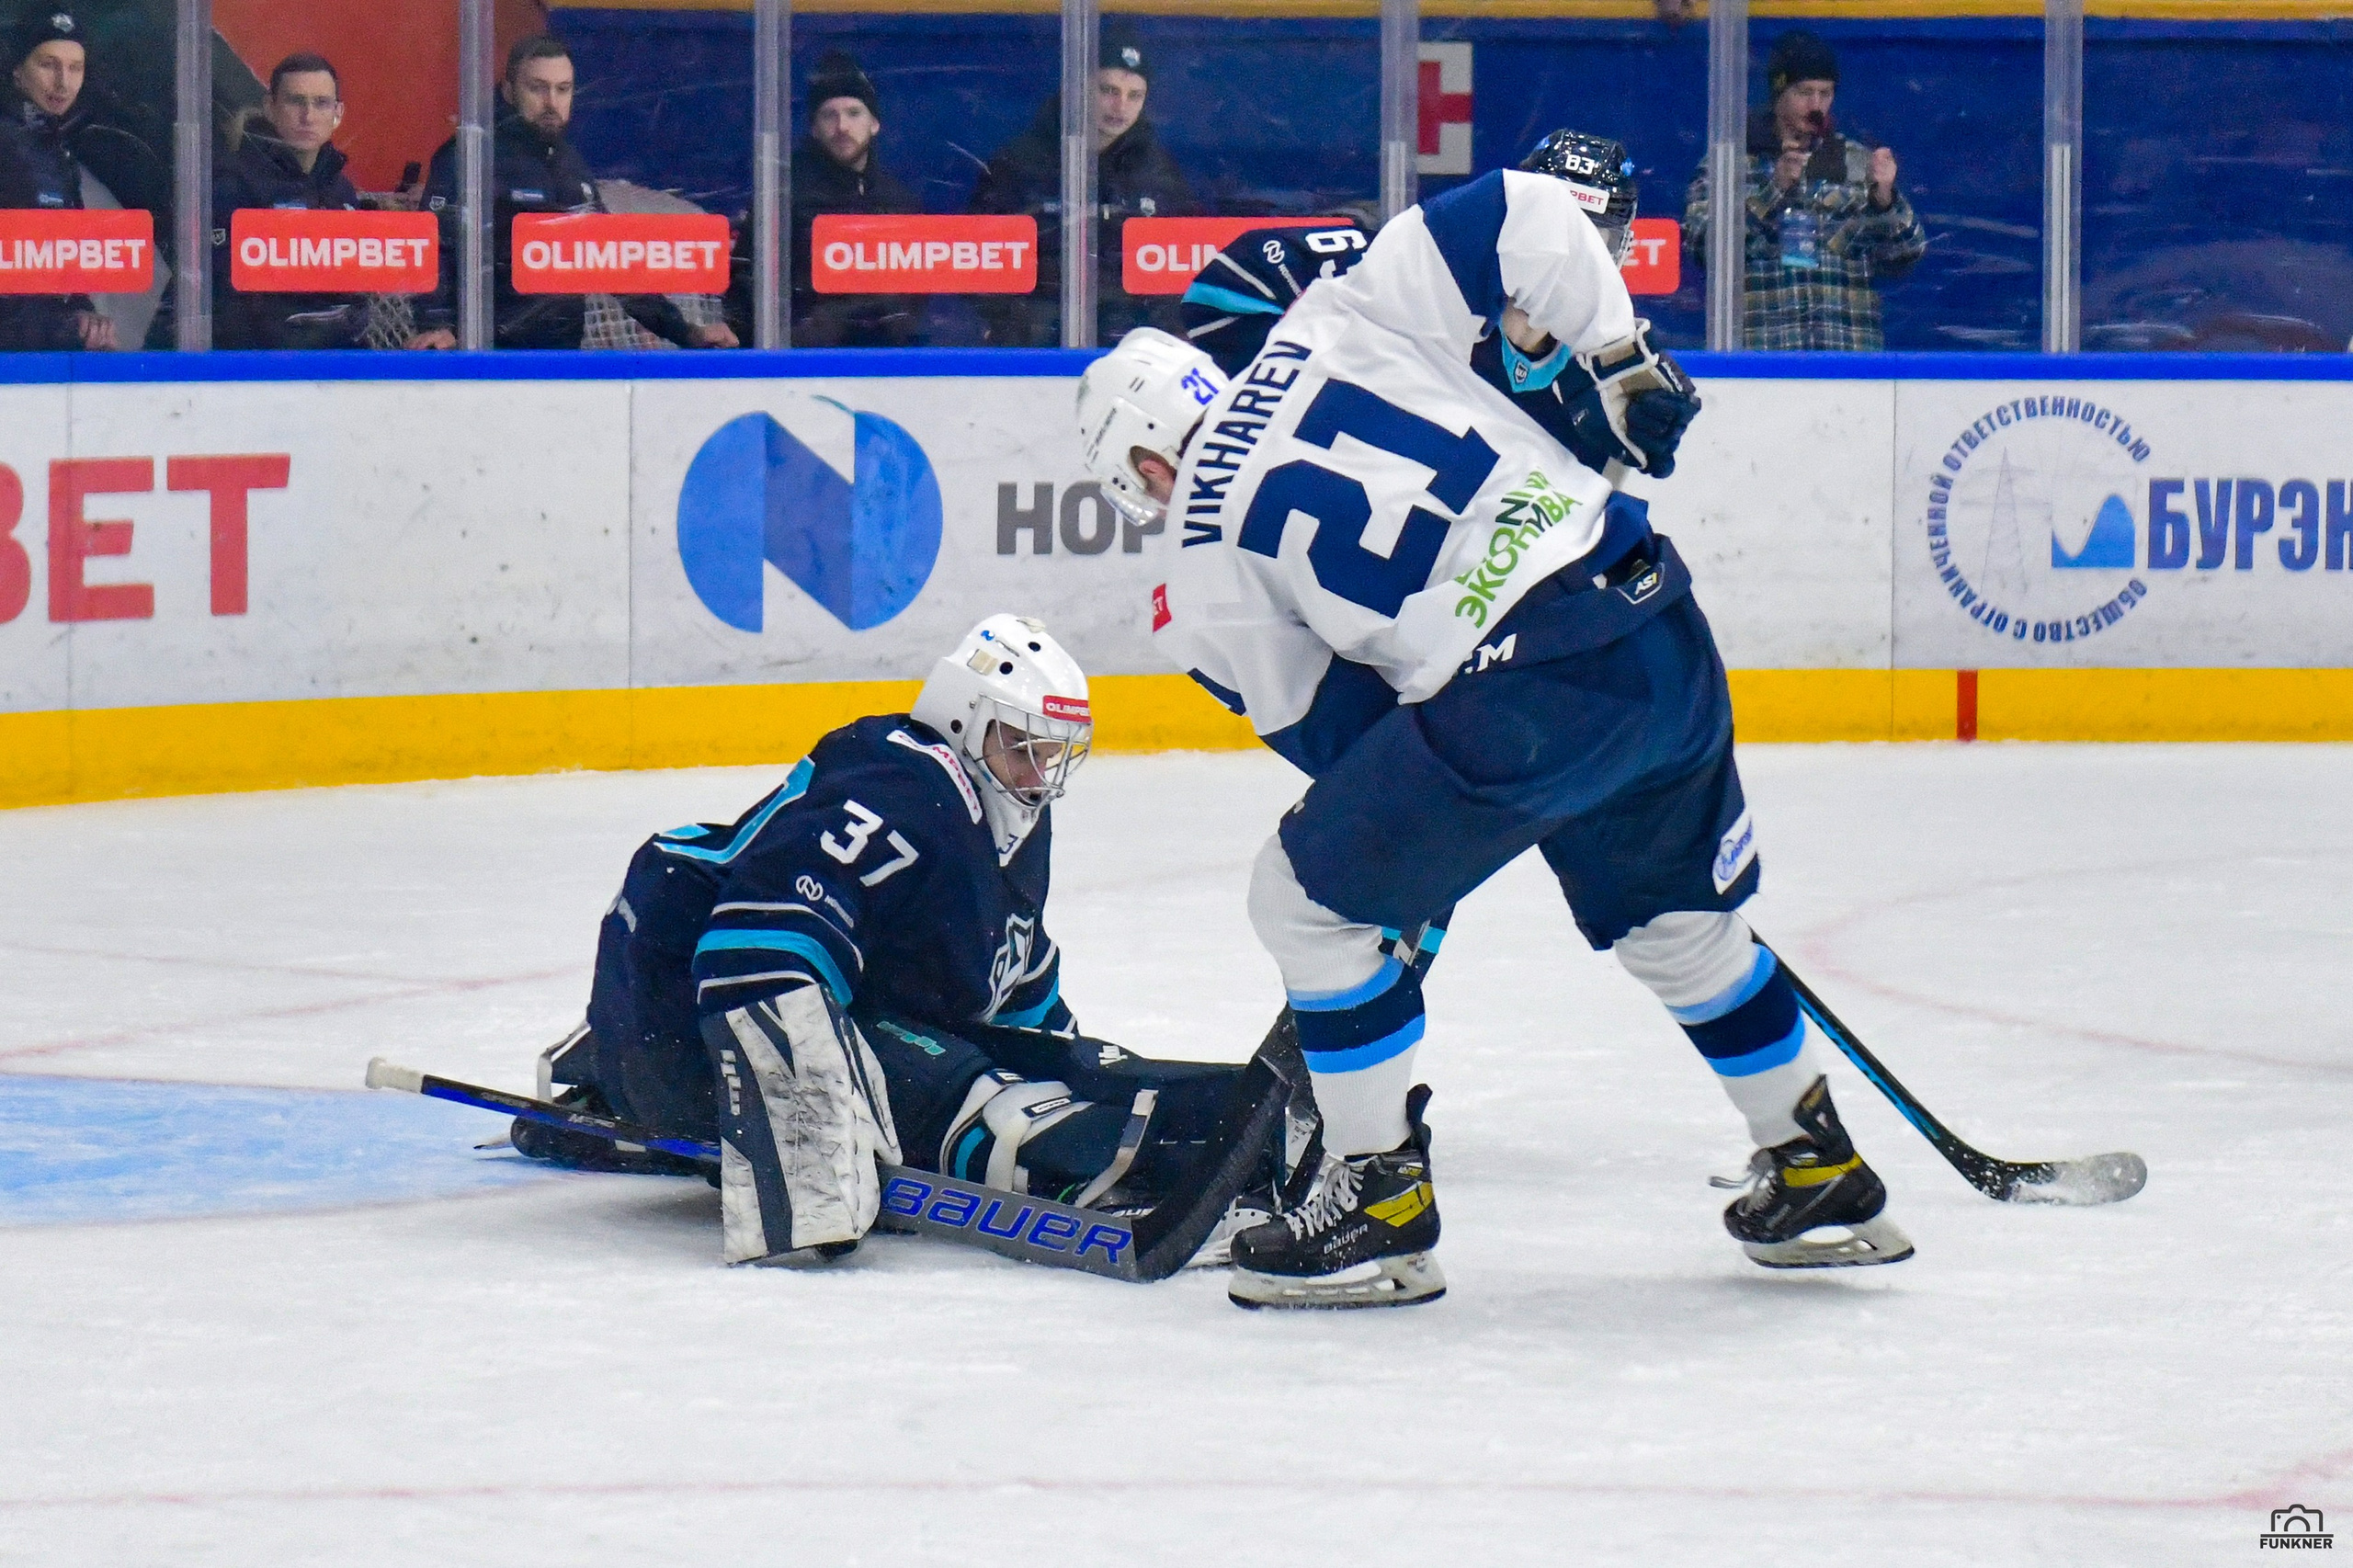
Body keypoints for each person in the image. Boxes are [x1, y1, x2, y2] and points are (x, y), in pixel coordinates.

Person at [1074, 132, 1913, 1311]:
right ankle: (1815, 1164)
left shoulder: (1191, 567)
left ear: (1144, 468)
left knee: (1301, 900)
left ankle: (1376, 1203)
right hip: (1651, 615)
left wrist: (1458, 807)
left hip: (1523, 698)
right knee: (1680, 930)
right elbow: (1522, 209)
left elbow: (1339, 731)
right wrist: (1620, 358)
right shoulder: (1337, 317)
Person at [517, 615, 1298, 1267]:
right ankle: (614, 1051)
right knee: (995, 1110)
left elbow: (1013, 975)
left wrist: (1072, 1062)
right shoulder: (901, 782)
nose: (1036, 774)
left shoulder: (1010, 819)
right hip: (679, 1004)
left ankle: (1278, 1118)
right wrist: (807, 1154)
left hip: (859, 1002)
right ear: (961, 719)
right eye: (1019, 746)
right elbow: (755, 943)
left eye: (1050, 754)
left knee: (1075, 1072)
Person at [1179, 135, 1700, 481]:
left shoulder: (1610, 388)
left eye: (1594, 238)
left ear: (1626, 251)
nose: (1567, 254)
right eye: (1557, 228)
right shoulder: (1406, 281)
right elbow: (1227, 295)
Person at [407, 35, 737, 352]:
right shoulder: (470, 156)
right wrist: (438, 325)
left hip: (561, 359)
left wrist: (686, 332)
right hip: (483, 358)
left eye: (562, 89)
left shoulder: (569, 164)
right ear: (509, 91)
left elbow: (610, 261)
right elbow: (432, 246)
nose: (552, 102)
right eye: (537, 88)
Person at [1681, 28, 1926, 351]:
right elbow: (1704, 247)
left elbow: (1905, 258)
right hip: (1767, 362)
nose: (1816, 105)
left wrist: (1885, 202)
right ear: (1778, 93)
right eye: (1804, 91)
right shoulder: (1729, 166)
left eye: (1826, 93)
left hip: (1848, 362)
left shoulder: (1856, 162)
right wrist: (1774, 191)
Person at [969, 32, 1194, 347]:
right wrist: (1010, 324)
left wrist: (1165, 330)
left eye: (1135, 95)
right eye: (1108, 90)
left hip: (1133, 339)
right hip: (1036, 335)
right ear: (1080, 89)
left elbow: (1182, 260)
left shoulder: (1158, 171)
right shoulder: (1022, 162)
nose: (1121, 106)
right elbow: (978, 254)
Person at [210, 52, 371, 351]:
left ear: (338, 113)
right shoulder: (233, 183)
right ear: (270, 108)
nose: (308, 116)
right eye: (296, 101)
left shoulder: (341, 189)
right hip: (258, 369)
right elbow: (221, 300)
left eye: (321, 103)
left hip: (339, 365)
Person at [790, 50, 924, 347]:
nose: (842, 127)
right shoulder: (787, 198)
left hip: (888, 362)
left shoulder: (900, 201)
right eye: (829, 115)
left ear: (874, 123)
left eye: (853, 113)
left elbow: (915, 298)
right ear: (813, 128)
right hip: (808, 361)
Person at [0, 10, 114, 351]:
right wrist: (62, 325)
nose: (63, 82)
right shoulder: (8, 144)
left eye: (75, 68)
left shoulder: (56, 147)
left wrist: (82, 313)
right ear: (17, 71)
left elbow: (64, 261)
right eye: (48, 65)